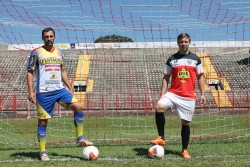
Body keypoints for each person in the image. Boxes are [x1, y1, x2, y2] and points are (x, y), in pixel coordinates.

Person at [27, 27, 93, 161]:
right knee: (43, 122)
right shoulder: (36, 53)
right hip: (43, 92)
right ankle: (43, 152)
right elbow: (30, 72)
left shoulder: (60, 53)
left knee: (78, 107)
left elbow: (63, 71)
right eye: (46, 36)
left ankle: (80, 138)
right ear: (42, 38)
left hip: (60, 90)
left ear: (54, 37)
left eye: (51, 36)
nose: (49, 39)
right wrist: (30, 91)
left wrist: (70, 87)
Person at [150, 33, 206, 159]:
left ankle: (184, 150)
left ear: (189, 43)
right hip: (173, 93)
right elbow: (166, 77)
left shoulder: (196, 59)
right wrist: (162, 94)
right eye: (181, 42)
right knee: (159, 107)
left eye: (185, 41)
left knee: (185, 123)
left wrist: (203, 94)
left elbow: (200, 76)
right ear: (177, 43)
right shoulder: (171, 59)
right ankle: (161, 137)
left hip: (188, 96)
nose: (183, 44)